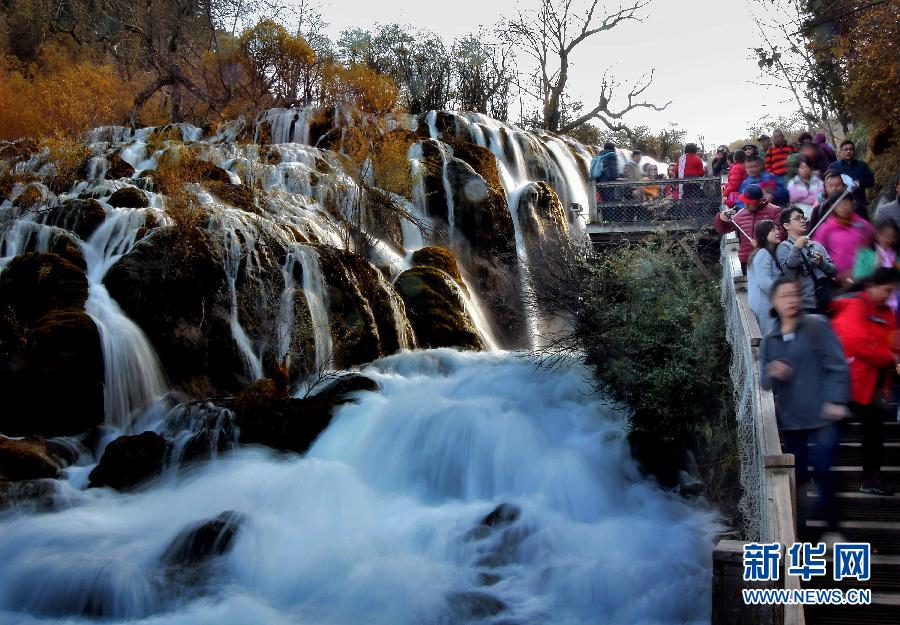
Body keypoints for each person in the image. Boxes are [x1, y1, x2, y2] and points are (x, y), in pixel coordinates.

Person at [760, 277, 850, 540]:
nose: (790, 300)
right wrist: (773, 371)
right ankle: (802, 534)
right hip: (793, 419)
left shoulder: (816, 326)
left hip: (824, 415)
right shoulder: (771, 339)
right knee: (798, 477)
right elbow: (763, 382)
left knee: (822, 468)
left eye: (794, 295)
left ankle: (833, 529)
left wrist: (836, 400)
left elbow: (838, 364)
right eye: (784, 296)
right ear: (774, 302)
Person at [831, 267, 900, 496]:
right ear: (872, 287)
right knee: (839, 430)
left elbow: (893, 341)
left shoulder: (886, 313)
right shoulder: (856, 306)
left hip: (876, 384)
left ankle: (871, 479)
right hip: (853, 381)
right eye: (886, 290)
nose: (889, 296)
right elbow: (854, 340)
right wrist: (889, 356)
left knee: (874, 435)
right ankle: (824, 475)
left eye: (892, 292)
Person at [777, 206, 837, 314]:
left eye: (803, 218)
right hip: (805, 306)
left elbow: (833, 270)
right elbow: (789, 273)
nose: (802, 221)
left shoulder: (816, 244)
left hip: (826, 300)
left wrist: (822, 263)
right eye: (797, 218)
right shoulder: (783, 247)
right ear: (786, 225)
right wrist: (796, 248)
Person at [714, 184, 784, 267]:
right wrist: (720, 218)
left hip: (770, 258)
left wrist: (762, 245)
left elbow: (782, 234)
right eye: (745, 201)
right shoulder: (741, 213)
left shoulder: (774, 211)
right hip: (747, 260)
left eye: (750, 203)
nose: (746, 205)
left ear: (760, 200)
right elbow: (723, 229)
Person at [812, 193, 875, 284]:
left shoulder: (863, 225)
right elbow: (817, 250)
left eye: (846, 203)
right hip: (837, 280)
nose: (843, 207)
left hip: (865, 277)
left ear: (852, 204)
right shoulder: (825, 229)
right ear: (833, 207)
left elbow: (873, 245)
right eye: (839, 204)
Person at [748, 220, 783, 334]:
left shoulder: (763, 252)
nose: (777, 232)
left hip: (765, 303)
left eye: (777, 228)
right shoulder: (763, 253)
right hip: (765, 304)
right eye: (772, 230)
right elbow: (764, 281)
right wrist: (782, 294)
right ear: (764, 234)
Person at [827, 140, 875, 219]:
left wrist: (859, 183)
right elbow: (828, 183)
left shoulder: (862, 165)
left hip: (860, 203)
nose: (848, 151)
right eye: (845, 149)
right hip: (841, 204)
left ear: (854, 151)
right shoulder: (834, 166)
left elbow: (871, 181)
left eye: (851, 149)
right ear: (841, 151)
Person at [853, 217, 899, 282]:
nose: (888, 240)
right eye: (884, 235)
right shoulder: (864, 252)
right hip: (872, 288)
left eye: (892, 236)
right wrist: (876, 267)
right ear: (877, 234)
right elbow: (858, 277)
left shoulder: (897, 253)